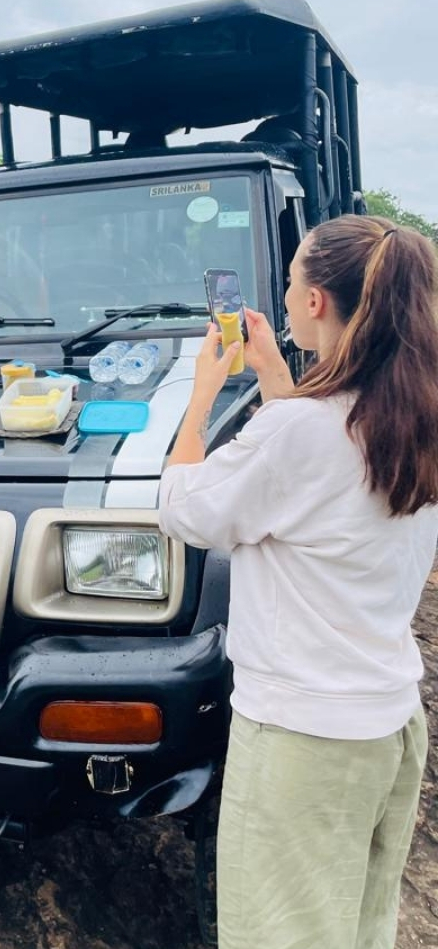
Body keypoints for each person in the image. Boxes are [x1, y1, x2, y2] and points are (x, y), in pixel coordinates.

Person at [158, 214, 438, 949]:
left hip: (303, 741)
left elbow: (186, 511)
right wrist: (279, 383)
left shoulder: (302, 433)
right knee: (357, 929)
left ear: (316, 301)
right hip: (388, 729)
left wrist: (201, 396)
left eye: (289, 283)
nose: (281, 298)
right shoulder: (415, 418)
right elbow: (322, 484)